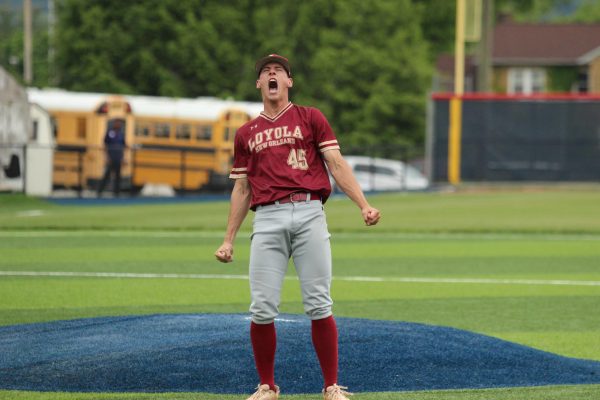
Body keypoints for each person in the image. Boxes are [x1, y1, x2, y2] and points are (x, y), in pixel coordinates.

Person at [214, 54, 381, 400]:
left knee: (319, 303)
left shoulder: (310, 117)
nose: (272, 73)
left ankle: (331, 386)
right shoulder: (246, 133)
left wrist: (363, 204)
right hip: (268, 217)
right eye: (265, 71)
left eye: (279, 71)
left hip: (309, 212)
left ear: (289, 82)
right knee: (261, 307)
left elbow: (335, 162)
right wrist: (228, 239)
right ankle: (267, 386)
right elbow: (242, 188)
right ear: (259, 84)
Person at [97, 119, 126, 197]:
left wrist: (123, 158)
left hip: (118, 158)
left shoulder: (121, 134)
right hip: (111, 157)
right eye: (117, 123)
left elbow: (123, 146)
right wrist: (107, 157)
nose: (118, 124)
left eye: (119, 123)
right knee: (107, 175)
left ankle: (116, 193)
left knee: (118, 176)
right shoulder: (110, 133)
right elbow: (105, 144)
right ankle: (100, 191)